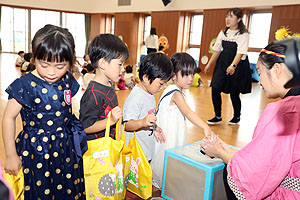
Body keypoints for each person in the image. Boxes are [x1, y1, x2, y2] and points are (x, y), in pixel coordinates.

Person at [202, 40, 300, 199]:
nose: (260, 82)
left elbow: (255, 172)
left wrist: (219, 152)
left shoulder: (283, 112)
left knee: (232, 173)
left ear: (276, 69)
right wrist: (229, 149)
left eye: (260, 72)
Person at [2, 24, 87, 199]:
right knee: (39, 190)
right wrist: (10, 154)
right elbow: (9, 117)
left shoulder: (67, 80)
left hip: (65, 148)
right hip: (36, 151)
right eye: (44, 64)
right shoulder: (25, 85)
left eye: (60, 66)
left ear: (70, 62)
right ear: (34, 57)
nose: (51, 72)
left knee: (67, 189)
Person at [151, 53, 213, 188]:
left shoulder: (171, 89)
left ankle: (165, 186)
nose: (191, 78)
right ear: (173, 76)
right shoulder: (176, 93)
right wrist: (205, 126)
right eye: (186, 75)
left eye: (192, 74)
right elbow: (188, 112)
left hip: (170, 133)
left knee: (167, 162)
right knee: (168, 162)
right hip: (169, 136)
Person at [204, 8, 252, 125]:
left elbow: (240, 52)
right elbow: (217, 50)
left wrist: (233, 66)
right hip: (222, 63)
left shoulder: (243, 34)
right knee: (215, 88)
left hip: (238, 64)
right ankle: (218, 115)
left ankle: (236, 116)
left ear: (239, 19)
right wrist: (209, 64)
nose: (227, 19)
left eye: (231, 16)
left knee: (234, 92)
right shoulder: (223, 32)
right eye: (227, 16)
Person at [123, 53, 173, 162]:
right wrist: (143, 123)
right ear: (146, 77)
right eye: (160, 83)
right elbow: (126, 124)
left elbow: (144, 117)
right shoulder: (136, 98)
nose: (162, 87)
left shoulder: (149, 93)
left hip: (145, 150)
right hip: (135, 156)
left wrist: (153, 127)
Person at [79, 33, 129, 141]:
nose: (123, 69)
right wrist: (110, 121)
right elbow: (86, 127)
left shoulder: (109, 85)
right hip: (97, 153)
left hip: (109, 147)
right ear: (103, 63)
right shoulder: (93, 94)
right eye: (120, 64)